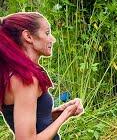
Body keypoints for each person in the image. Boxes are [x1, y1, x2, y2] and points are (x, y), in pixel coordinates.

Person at [0, 12, 84, 140]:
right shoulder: (25, 80)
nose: (52, 39)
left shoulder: (16, 75)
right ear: (28, 36)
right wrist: (65, 115)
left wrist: (59, 112)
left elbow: (35, 122)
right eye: (47, 33)